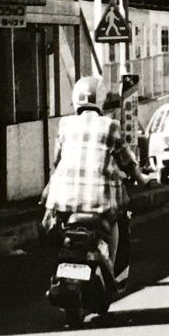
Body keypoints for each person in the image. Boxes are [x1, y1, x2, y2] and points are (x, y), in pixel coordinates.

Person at [42, 75, 154, 291]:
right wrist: (141, 178)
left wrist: (49, 191)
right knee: (117, 222)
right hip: (99, 201)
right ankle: (110, 270)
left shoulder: (65, 124)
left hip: (65, 199)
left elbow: (57, 161)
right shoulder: (110, 125)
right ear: (100, 100)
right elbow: (128, 162)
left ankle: (59, 269)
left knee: (56, 228)